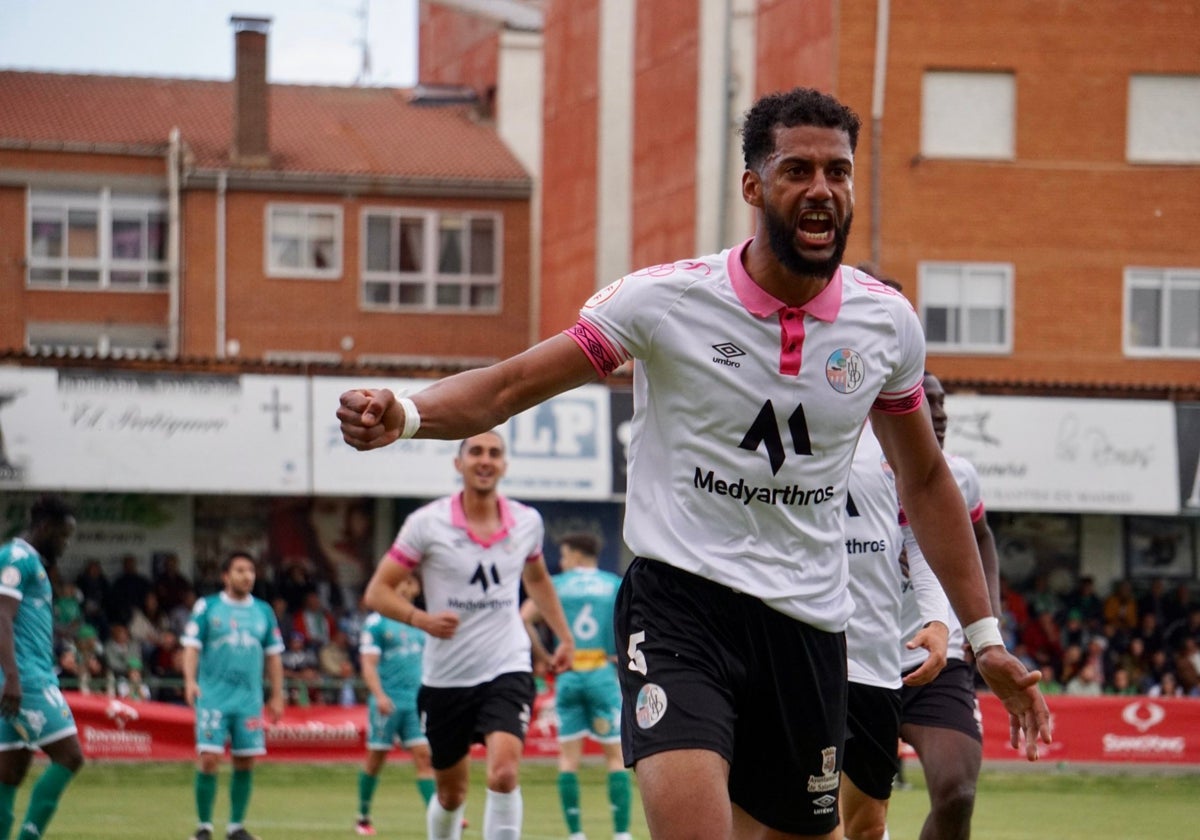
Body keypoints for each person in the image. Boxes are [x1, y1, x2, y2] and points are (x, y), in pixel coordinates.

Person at [338, 86, 1050, 840]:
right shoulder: (665, 300)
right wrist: (408, 414)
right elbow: (512, 385)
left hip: (808, 625)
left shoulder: (886, 323)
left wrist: (985, 638)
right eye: (797, 170)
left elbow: (927, 479)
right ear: (753, 185)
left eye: (837, 172)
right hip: (682, 606)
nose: (821, 190)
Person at [359, 430, 575, 840]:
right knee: (451, 794)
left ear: (504, 466)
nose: (485, 459)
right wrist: (421, 620)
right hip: (446, 677)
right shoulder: (426, 524)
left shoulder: (527, 522)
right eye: (475, 451)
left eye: (494, 453)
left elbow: (538, 579)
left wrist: (564, 637)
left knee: (504, 774)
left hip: (507, 666)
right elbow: (377, 592)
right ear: (459, 464)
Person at [895, 370, 1004, 840]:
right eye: (927, 402)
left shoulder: (959, 475)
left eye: (942, 404)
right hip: (858, 661)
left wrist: (986, 632)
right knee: (848, 814)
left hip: (940, 663)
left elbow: (981, 538)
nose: (938, 413)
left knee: (957, 793)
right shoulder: (849, 470)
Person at [839, 422, 951, 840]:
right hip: (801, 650)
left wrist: (936, 620)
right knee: (802, 816)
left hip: (874, 658)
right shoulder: (792, 417)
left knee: (867, 826)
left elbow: (920, 537)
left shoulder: (893, 438)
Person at [520, 532, 633, 840]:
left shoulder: (557, 586)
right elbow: (632, 622)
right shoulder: (614, 584)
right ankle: (622, 834)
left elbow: (524, 618)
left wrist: (543, 656)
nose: (563, 562)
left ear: (578, 556)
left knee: (568, 759)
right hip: (601, 673)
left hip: (568, 674)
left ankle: (576, 834)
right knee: (615, 757)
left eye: (566, 556)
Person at [182, 551, 285, 840]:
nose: (247, 576)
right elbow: (191, 646)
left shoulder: (264, 611)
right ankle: (204, 827)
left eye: (251, 570)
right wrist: (190, 681)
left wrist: (277, 695)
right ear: (226, 576)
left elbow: (274, 656)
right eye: (240, 570)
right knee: (209, 758)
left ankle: (235, 827)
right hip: (213, 696)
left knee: (245, 760)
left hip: (249, 700)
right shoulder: (208, 607)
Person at [0, 495, 84, 840]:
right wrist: (14, 677)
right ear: (45, 527)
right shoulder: (17, 558)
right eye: (63, 535)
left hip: (23, 674)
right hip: (26, 678)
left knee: (9, 773)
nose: (65, 544)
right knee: (70, 757)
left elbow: (21, 620)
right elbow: (2, 614)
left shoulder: (30, 561)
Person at [354, 575, 434, 837]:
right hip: (387, 702)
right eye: (401, 581)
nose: (406, 586)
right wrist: (378, 695)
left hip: (416, 702)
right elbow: (368, 664)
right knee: (376, 759)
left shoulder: (421, 621)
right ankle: (363, 816)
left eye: (411, 582)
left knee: (424, 757)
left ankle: (436, 814)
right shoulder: (377, 622)